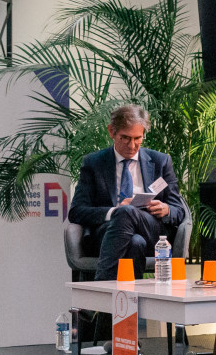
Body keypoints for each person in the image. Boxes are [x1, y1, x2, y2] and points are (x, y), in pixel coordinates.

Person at [68, 104, 185, 281]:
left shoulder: (160, 162)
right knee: (133, 240)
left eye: (138, 138)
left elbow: (179, 210)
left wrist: (166, 209)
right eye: (125, 138)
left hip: (152, 230)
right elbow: (76, 212)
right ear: (111, 132)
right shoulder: (94, 164)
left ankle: (101, 290)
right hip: (108, 233)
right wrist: (114, 212)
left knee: (128, 213)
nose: (132, 145)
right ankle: (130, 305)